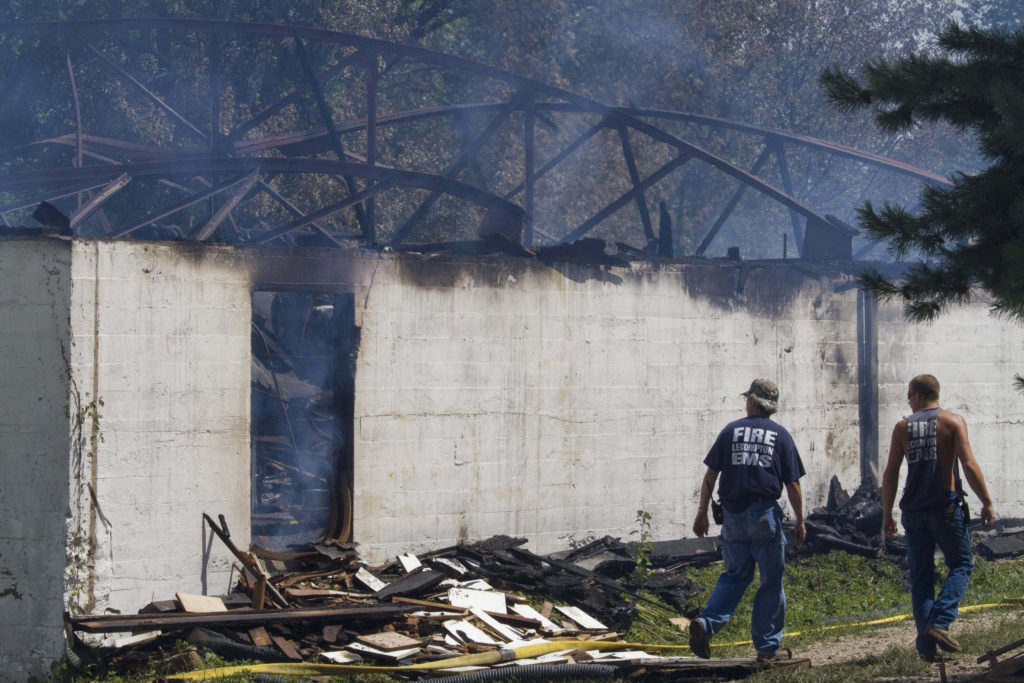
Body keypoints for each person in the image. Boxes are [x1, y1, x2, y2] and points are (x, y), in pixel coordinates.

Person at [689, 379, 806, 662]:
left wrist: (702, 511)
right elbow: (792, 484)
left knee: (735, 575)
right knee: (771, 581)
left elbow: (710, 476)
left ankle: (706, 623)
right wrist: (800, 520)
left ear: (752, 401)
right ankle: (768, 648)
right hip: (764, 516)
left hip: (732, 518)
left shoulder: (730, 431)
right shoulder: (781, 435)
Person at [881, 374, 996, 661]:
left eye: (909, 395)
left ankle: (926, 647)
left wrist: (887, 513)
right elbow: (968, 464)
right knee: (961, 564)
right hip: (944, 510)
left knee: (921, 578)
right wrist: (986, 502)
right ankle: (940, 622)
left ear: (919, 395)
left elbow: (891, 472)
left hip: (913, 513)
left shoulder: (902, 427)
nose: (908, 401)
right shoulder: (952, 422)